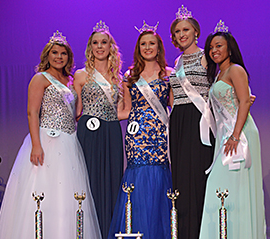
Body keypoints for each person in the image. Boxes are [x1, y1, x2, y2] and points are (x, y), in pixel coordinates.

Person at [0, 31, 101, 239]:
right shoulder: (40, 79)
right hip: (47, 140)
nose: (59, 57)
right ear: (47, 55)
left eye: (63, 54)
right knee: (44, 188)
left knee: (67, 192)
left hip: (69, 141)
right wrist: (36, 144)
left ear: (68, 57)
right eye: (55, 53)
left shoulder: (70, 80)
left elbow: (75, 112)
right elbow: (32, 112)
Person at [199, 20, 266, 238]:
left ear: (229, 48)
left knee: (231, 184)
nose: (214, 50)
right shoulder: (219, 74)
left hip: (239, 135)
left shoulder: (235, 69)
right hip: (227, 135)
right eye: (211, 47)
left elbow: (245, 102)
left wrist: (235, 136)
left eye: (218, 46)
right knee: (225, 185)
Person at [108, 22, 173, 239]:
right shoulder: (131, 75)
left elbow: (175, 106)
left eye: (151, 43)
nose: (147, 47)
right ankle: (135, 230)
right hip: (136, 135)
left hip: (160, 133)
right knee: (138, 174)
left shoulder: (169, 74)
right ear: (139, 48)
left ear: (158, 47)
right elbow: (125, 109)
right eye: (143, 44)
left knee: (159, 174)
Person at [168, 5, 216, 238]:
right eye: (177, 31)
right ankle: (183, 231)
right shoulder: (175, 63)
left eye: (186, 29)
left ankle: (201, 231)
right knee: (180, 178)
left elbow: (219, 86)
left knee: (198, 175)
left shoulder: (207, 57)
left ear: (196, 31)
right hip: (178, 121)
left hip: (200, 121)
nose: (182, 34)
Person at [73, 21, 124, 239]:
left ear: (111, 46)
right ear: (90, 47)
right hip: (89, 131)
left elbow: (122, 111)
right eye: (95, 43)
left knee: (112, 178)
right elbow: (76, 111)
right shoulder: (81, 75)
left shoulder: (118, 78)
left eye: (104, 42)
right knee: (89, 177)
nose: (100, 46)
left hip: (111, 130)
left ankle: (108, 231)